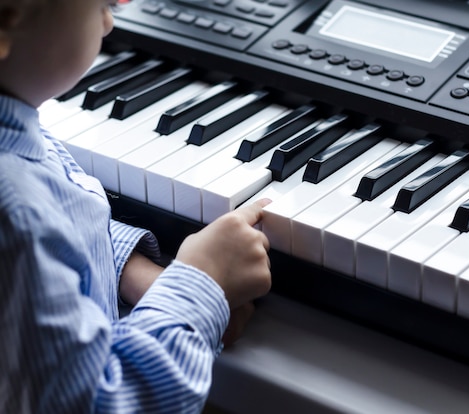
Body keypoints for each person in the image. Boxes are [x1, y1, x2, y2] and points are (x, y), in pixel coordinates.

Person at [0, 0, 272, 412]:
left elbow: (55, 210)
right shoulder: (13, 213)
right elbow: (99, 400)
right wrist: (201, 284)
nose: (111, 20)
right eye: (102, 4)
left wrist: (126, 268)